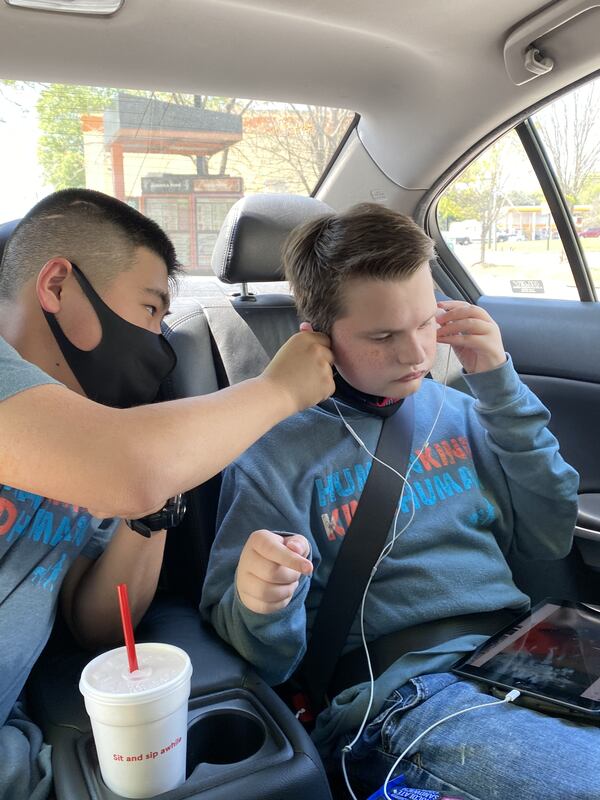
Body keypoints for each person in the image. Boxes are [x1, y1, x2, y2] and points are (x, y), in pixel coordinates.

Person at [200, 203, 599, 800]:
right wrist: (262, 602)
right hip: (403, 697)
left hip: (529, 651)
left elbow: (548, 535)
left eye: (425, 323)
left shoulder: (464, 411)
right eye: (383, 336)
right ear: (317, 338)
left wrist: (501, 388)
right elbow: (268, 661)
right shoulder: (272, 453)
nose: (415, 354)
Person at [0, 188, 334, 800]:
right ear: (57, 286)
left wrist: (149, 514)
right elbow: (127, 467)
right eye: (151, 309)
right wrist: (278, 390)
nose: (159, 340)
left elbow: (98, 623)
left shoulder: (95, 434)